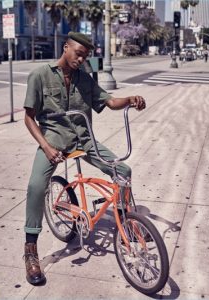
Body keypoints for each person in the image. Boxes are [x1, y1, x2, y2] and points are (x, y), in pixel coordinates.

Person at [23, 32, 146, 285]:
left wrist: (130, 100)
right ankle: (30, 249)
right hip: (54, 141)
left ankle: (125, 224)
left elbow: (110, 102)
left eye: (85, 56)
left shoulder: (85, 79)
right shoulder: (40, 75)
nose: (81, 59)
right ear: (66, 47)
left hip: (85, 140)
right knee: (36, 186)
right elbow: (29, 117)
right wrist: (45, 147)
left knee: (123, 170)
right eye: (78, 53)